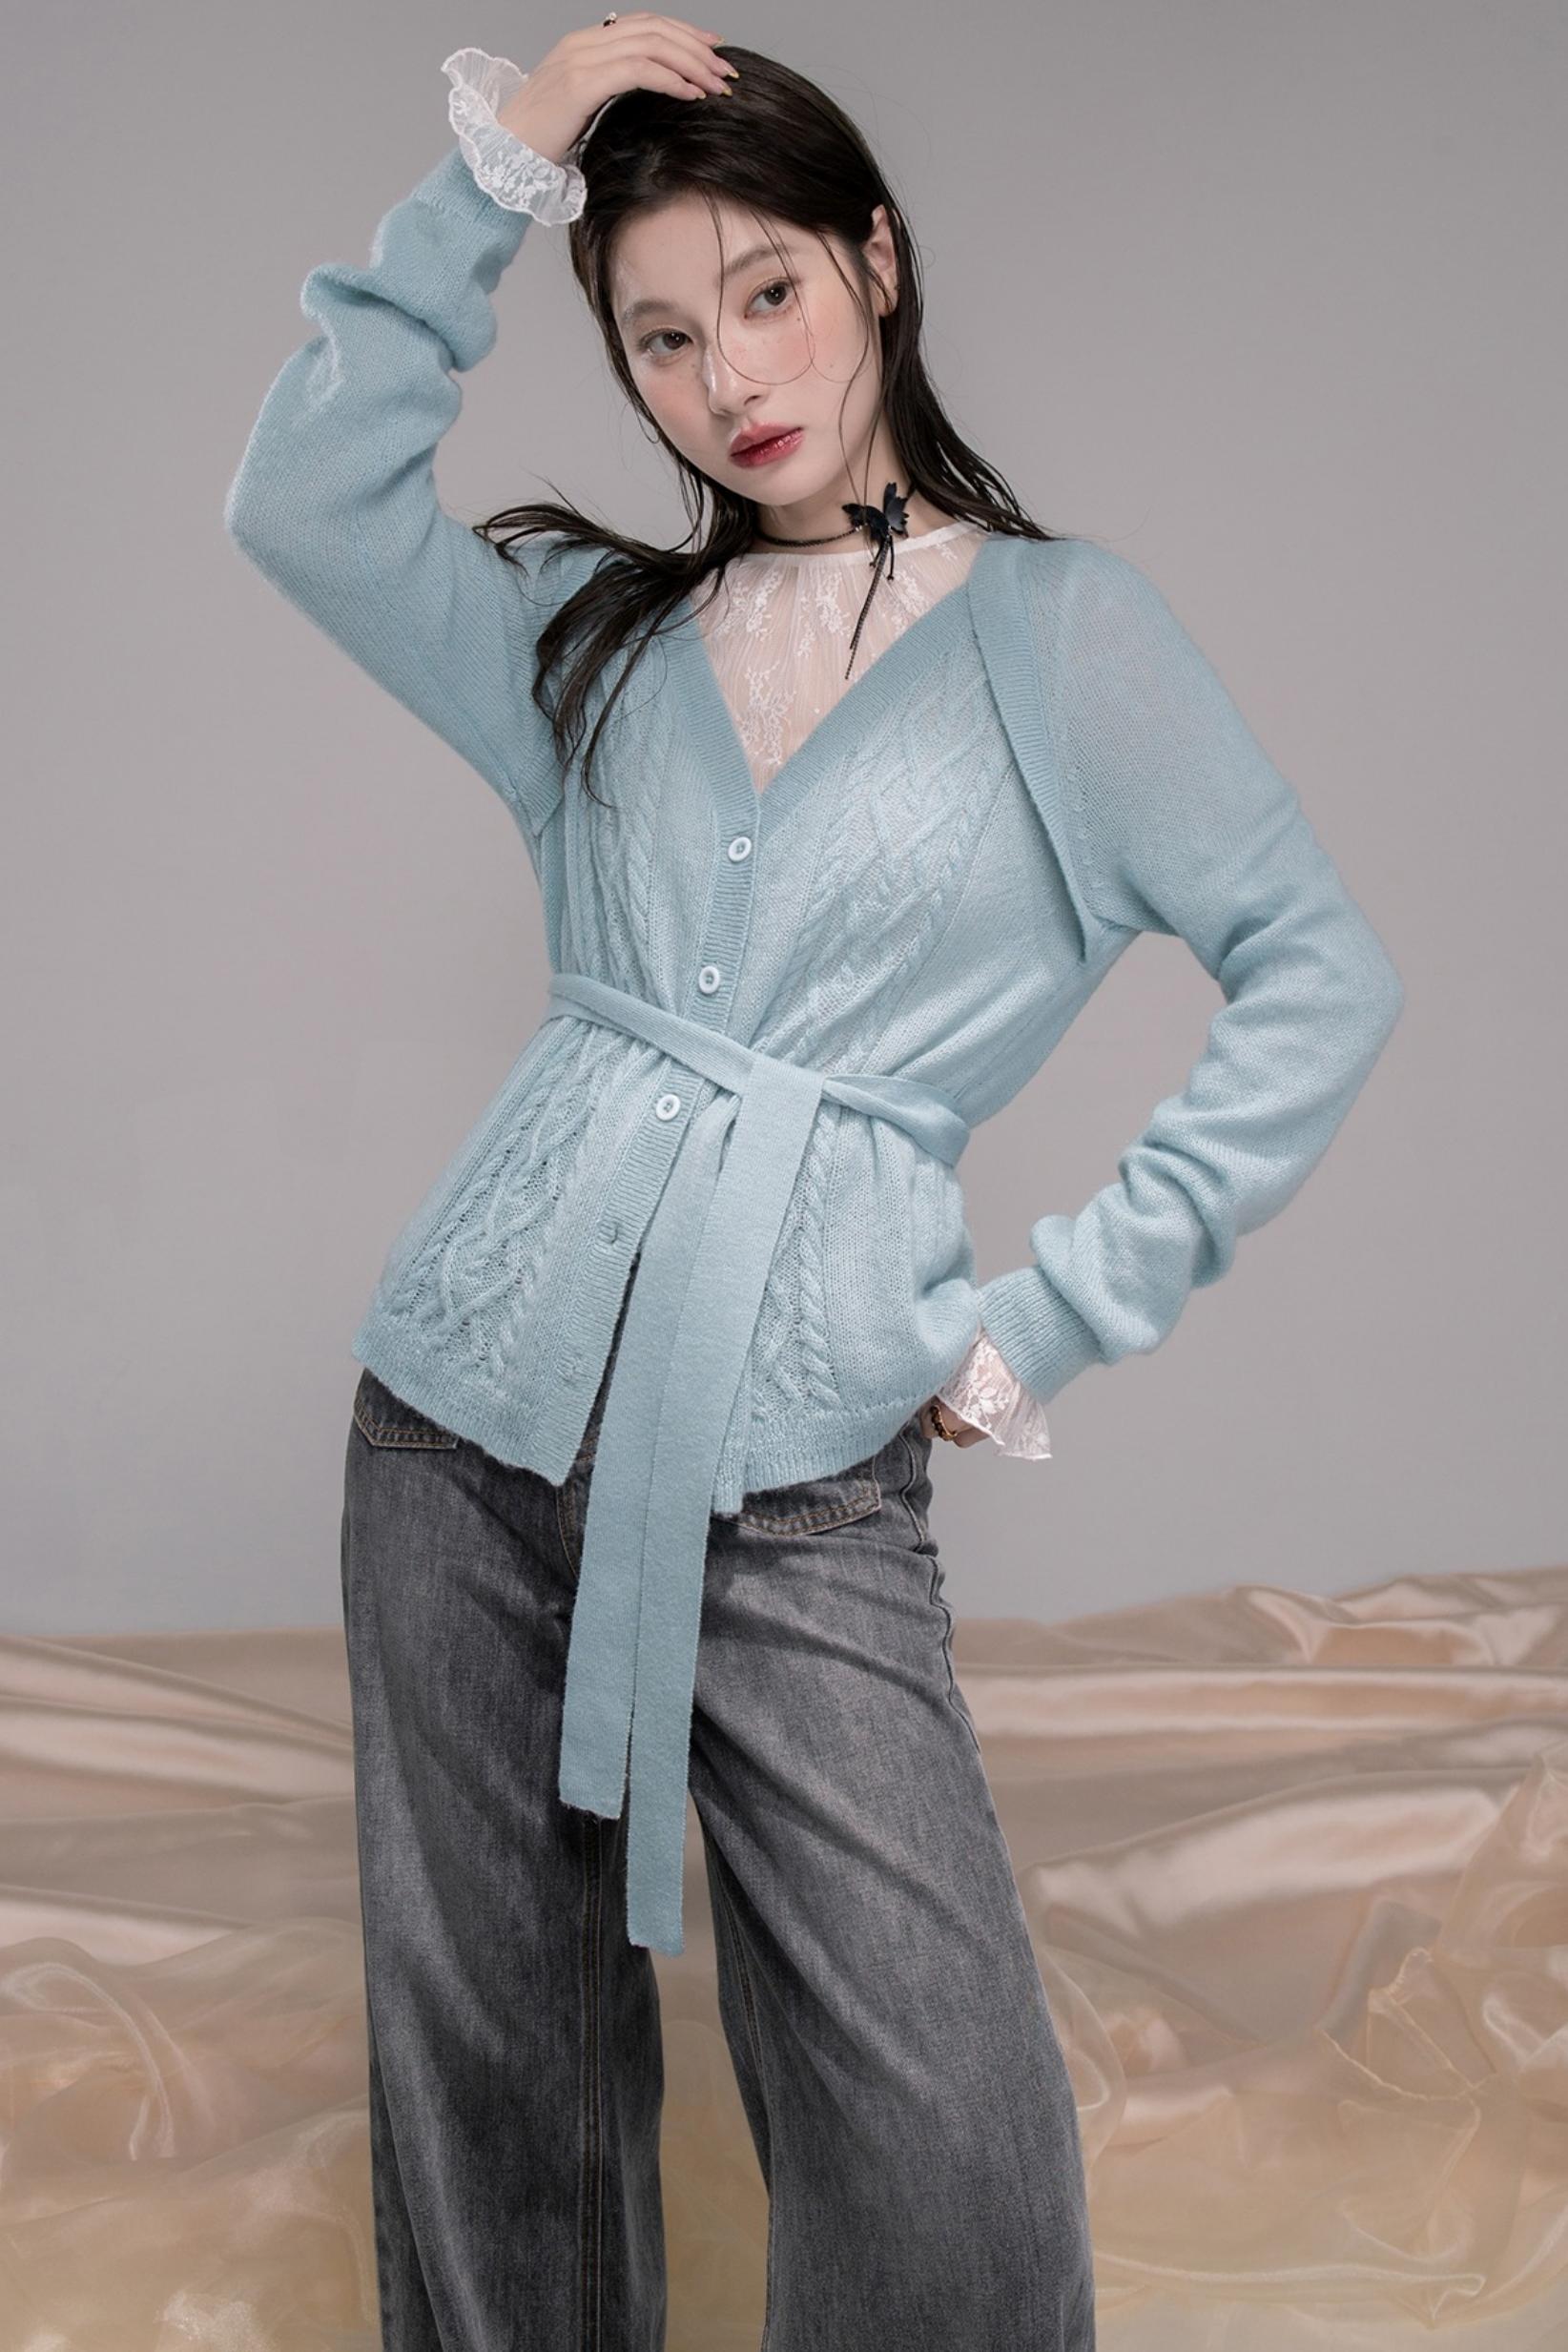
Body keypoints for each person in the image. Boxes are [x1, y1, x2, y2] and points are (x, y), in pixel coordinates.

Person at [224, 18, 1403, 2347]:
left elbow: (1320, 975)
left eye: (767, 292)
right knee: (498, 2097)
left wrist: (1048, 1316)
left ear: (877, 260)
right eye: (663, 335)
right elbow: (303, 502)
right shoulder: (596, 641)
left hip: (793, 1472)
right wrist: (506, 164)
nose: (729, 377)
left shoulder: (1071, 638)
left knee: (948, 2151)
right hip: (457, 1438)